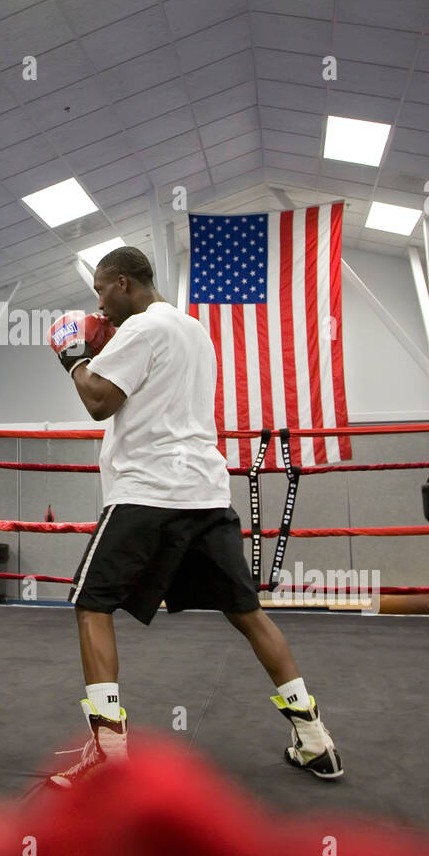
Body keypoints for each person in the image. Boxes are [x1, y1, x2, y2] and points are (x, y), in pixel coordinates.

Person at [48, 246, 342, 788]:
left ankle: (110, 755)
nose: (100, 308)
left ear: (121, 283)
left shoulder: (140, 329)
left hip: (149, 491)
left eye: (101, 294)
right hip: (206, 494)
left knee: (91, 605)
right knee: (248, 612)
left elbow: (97, 401)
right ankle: (315, 739)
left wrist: (72, 357)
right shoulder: (193, 330)